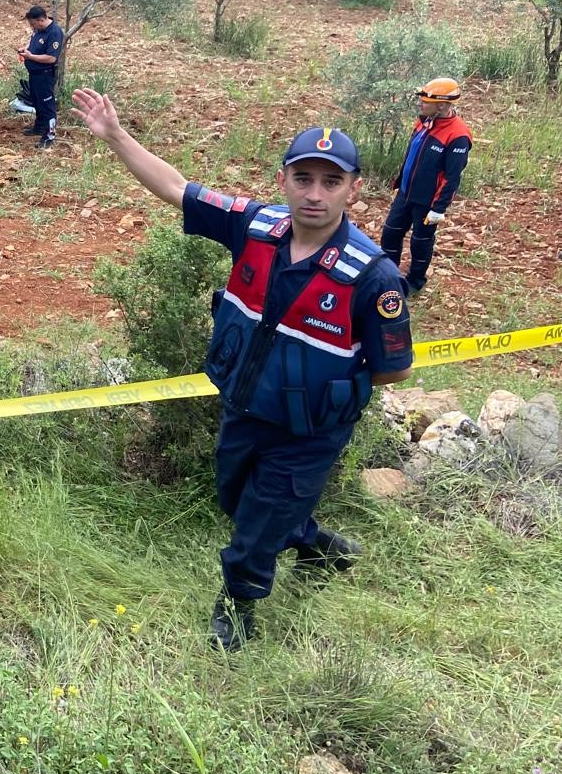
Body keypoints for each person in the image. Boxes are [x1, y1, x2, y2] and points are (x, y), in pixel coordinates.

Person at [71, 91, 414, 652]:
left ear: (352, 190)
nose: (315, 193)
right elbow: (176, 188)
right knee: (236, 498)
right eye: (303, 178)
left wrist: (317, 388)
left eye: (331, 182)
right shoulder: (256, 225)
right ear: (284, 181)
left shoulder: (373, 277)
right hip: (244, 407)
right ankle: (313, 543)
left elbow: (391, 369)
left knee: (256, 526)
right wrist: (114, 135)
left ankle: (237, 606)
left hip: (309, 431)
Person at [380, 78, 471, 296]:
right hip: (405, 194)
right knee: (390, 234)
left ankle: (415, 282)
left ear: (441, 105)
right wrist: (400, 183)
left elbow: (452, 177)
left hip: (428, 202)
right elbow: (412, 156)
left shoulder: (458, 135)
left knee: (420, 242)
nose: (420, 104)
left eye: (425, 101)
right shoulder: (424, 122)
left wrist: (438, 208)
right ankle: (387, 277)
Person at [15, 6, 63, 150]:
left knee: (47, 106)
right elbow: (33, 43)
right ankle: (40, 127)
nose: (32, 27)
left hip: (45, 74)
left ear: (41, 20)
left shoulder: (54, 33)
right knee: (37, 102)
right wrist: (26, 49)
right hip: (34, 74)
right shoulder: (38, 30)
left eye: (33, 24)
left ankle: (49, 135)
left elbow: (51, 58)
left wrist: (31, 56)